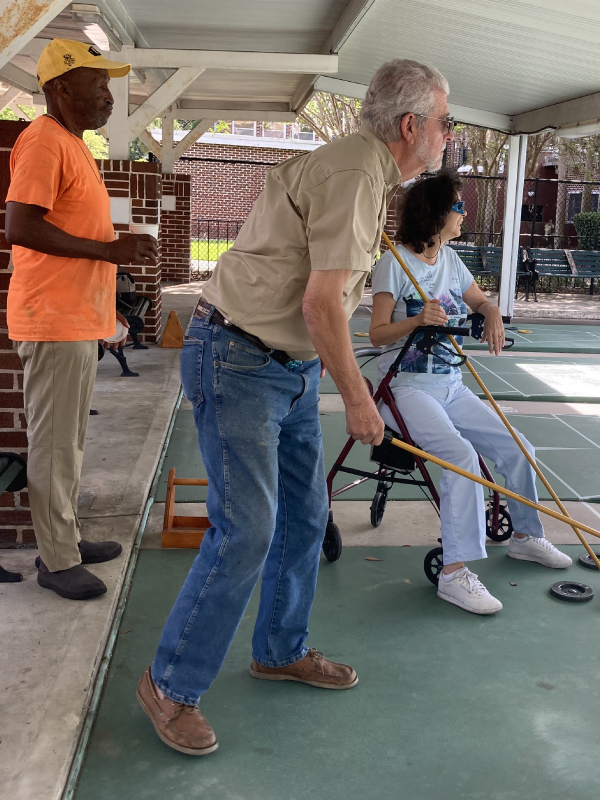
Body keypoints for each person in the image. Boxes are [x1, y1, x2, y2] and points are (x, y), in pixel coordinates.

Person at [137, 59, 455, 756]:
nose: (447, 136)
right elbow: (319, 304)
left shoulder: (369, 174)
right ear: (411, 126)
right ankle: (170, 684)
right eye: (444, 123)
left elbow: (324, 301)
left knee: (306, 516)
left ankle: (279, 649)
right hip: (240, 360)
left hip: (288, 366)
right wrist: (359, 399)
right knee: (246, 529)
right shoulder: (356, 171)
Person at [369, 170, 571, 616]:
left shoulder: (451, 260)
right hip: (406, 388)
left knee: (519, 447)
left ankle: (524, 537)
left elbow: (479, 301)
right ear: (437, 213)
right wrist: (418, 320)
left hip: (451, 385)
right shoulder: (395, 262)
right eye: (458, 207)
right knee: (459, 457)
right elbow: (378, 333)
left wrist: (493, 310)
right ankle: (453, 574)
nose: (465, 213)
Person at [4, 40, 159, 601]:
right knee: (53, 446)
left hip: (73, 319)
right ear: (60, 89)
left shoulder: (69, 144)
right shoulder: (44, 141)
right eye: (99, 86)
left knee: (69, 442)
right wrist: (110, 254)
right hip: (52, 322)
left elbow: (76, 232)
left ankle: (64, 538)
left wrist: (114, 254)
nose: (109, 98)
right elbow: (20, 226)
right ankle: (56, 559)